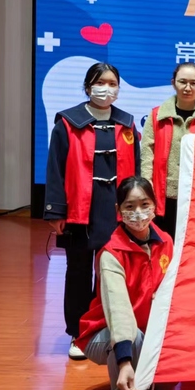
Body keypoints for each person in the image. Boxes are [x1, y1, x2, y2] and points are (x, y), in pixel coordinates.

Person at [44, 63, 140, 360]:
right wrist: (56, 212)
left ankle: (106, 329)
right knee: (79, 272)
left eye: (112, 83)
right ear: (88, 87)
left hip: (116, 211)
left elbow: (136, 171)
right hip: (80, 212)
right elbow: (55, 169)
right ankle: (78, 333)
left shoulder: (127, 125)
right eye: (100, 83)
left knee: (111, 274)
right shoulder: (67, 123)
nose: (106, 89)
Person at [75, 176, 173, 390]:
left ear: (155, 204)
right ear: (119, 210)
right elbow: (119, 310)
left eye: (144, 204)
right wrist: (125, 362)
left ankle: (144, 375)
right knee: (133, 337)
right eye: (130, 206)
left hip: (146, 329)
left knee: (166, 381)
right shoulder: (111, 254)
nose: (138, 213)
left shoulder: (166, 242)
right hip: (105, 333)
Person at [141, 63, 195, 238]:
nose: (188, 88)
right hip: (161, 197)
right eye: (182, 82)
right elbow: (147, 153)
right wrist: (146, 187)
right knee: (163, 244)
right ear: (173, 83)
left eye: (194, 83)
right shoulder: (157, 115)